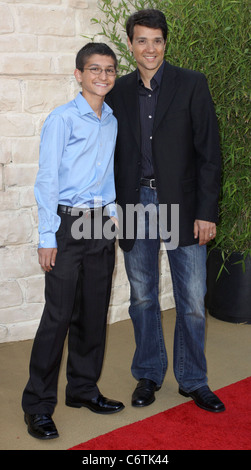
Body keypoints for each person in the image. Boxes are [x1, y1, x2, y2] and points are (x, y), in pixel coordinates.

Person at [106, 9, 225, 413]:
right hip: (136, 202)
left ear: (165, 43)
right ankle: (149, 374)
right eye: (142, 40)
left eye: (157, 40)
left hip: (184, 206)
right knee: (142, 297)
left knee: (191, 299)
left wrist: (207, 212)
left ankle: (193, 380)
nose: (150, 48)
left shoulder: (192, 84)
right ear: (130, 45)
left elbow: (210, 155)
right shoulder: (118, 92)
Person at [22, 43, 124, 440]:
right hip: (66, 226)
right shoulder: (61, 120)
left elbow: (107, 176)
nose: (103, 76)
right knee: (58, 316)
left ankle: (82, 389)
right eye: (94, 69)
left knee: (93, 313)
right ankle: (37, 406)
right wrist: (47, 236)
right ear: (79, 74)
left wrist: (113, 215)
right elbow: (46, 180)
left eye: (110, 70)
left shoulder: (112, 120)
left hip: (101, 226)